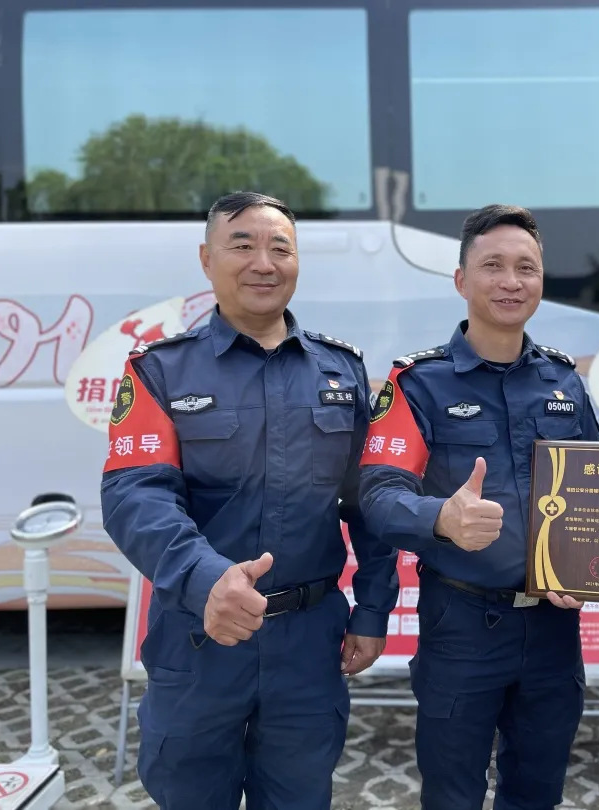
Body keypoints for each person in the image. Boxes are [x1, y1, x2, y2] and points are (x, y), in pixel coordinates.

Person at [100, 191, 398, 810]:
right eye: (242, 245)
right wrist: (206, 578)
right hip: (199, 638)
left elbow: (368, 502)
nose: (264, 263)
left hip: (309, 645)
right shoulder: (160, 371)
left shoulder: (340, 371)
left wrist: (372, 611)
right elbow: (136, 495)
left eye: (280, 248)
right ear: (207, 260)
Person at [358, 204, 599, 810]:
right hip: (462, 626)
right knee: (453, 793)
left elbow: (595, 496)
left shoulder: (564, 382)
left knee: (538, 791)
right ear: (461, 280)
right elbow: (377, 496)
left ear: (541, 281)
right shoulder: (418, 383)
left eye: (526, 267)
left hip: (552, 630)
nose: (511, 281)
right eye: (493, 266)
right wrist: (440, 517)